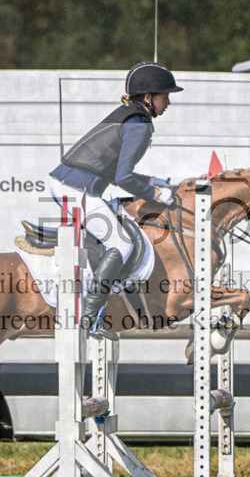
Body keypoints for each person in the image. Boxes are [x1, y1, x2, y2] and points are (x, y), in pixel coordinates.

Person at [48, 62, 182, 328]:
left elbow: (119, 171)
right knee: (122, 244)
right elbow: (123, 178)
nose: (168, 102)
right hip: (74, 188)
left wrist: (150, 180)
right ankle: (89, 316)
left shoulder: (130, 115)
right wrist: (155, 192)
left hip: (74, 184)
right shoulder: (139, 124)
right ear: (148, 97)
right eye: (164, 96)